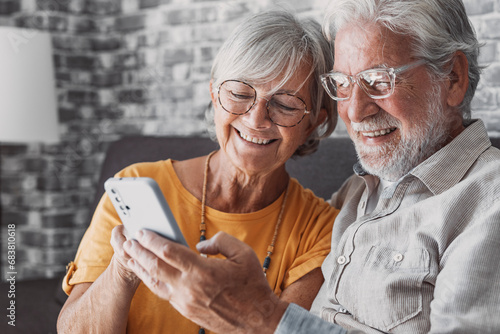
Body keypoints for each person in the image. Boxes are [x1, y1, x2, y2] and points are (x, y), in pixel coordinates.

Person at [121, 0, 500, 333]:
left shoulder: (488, 202)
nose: (354, 110)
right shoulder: (357, 193)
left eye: (378, 81)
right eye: (343, 83)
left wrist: (265, 318)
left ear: (453, 78)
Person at [57, 10, 339, 334]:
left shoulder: (321, 230)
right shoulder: (135, 184)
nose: (256, 119)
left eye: (286, 104)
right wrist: (125, 268)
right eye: (239, 93)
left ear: (314, 123)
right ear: (214, 94)